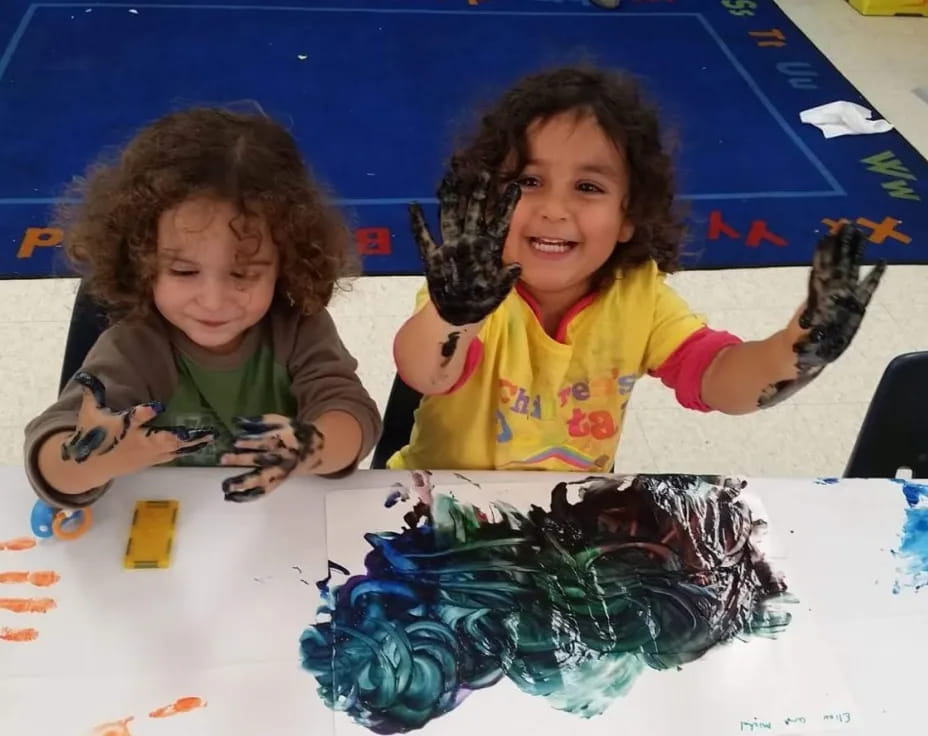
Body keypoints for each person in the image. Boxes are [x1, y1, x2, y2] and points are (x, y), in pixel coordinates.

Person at [389, 66, 884, 471]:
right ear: (487, 199)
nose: (554, 209)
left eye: (588, 187)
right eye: (529, 181)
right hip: (435, 514)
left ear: (629, 215)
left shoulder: (639, 297)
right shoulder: (471, 294)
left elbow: (721, 381)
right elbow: (422, 372)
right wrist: (455, 316)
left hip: (558, 525)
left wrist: (795, 352)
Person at [24, 107, 381, 505]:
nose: (213, 301)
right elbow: (52, 458)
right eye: (183, 271)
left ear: (286, 263)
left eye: (243, 274)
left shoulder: (298, 328)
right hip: (171, 531)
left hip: (279, 525)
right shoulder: (137, 345)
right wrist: (93, 462)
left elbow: (351, 414)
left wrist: (314, 446)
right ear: (141, 261)